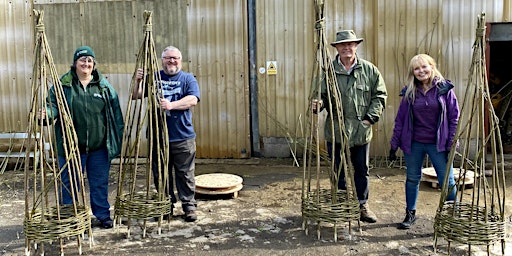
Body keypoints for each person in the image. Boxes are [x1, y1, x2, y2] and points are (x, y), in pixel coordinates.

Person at [40, 46, 124, 229]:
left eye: (89, 61)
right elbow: (52, 106)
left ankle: (102, 215)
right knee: (69, 185)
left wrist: (115, 142)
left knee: (100, 183)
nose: (86, 64)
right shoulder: (63, 86)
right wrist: (46, 114)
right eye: (82, 60)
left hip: (99, 148)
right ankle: (70, 217)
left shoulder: (104, 87)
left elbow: (116, 116)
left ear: (94, 65)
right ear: (75, 63)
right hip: (71, 148)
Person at [312, 30, 388, 223]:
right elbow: (319, 95)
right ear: (336, 48)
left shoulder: (369, 70)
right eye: (342, 45)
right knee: (338, 170)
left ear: (356, 46)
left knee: (362, 170)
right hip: (336, 132)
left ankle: (362, 204)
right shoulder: (328, 71)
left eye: (350, 44)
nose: (347, 47)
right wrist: (318, 104)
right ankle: (342, 204)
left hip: (361, 133)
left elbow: (379, 96)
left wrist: (369, 120)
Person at [389, 53, 459, 229]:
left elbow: (454, 118)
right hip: (414, 143)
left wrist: (451, 143)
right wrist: (394, 144)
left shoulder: (445, 89)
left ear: (432, 67)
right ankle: (410, 214)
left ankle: (452, 217)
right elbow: (400, 119)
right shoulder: (410, 93)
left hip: (439, 144)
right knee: (412, 178)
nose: (421, 71)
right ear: (413, 72)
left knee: (447, 181)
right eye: (416, 68)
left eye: (424, 66)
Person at [134, 45, 200, 222]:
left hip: (183, 137)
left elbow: (193, 99)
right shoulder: (154, 77)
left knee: (185, 174)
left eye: (175, 58)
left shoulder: (187, 78)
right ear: (162, 60)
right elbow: (136, 96)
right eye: (168, 58)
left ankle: (189, 207)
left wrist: (172, 105)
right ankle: (165, 207)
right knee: (161, 174)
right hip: (158, 137)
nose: (172, 61)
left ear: (180, 60)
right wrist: (139, 81)